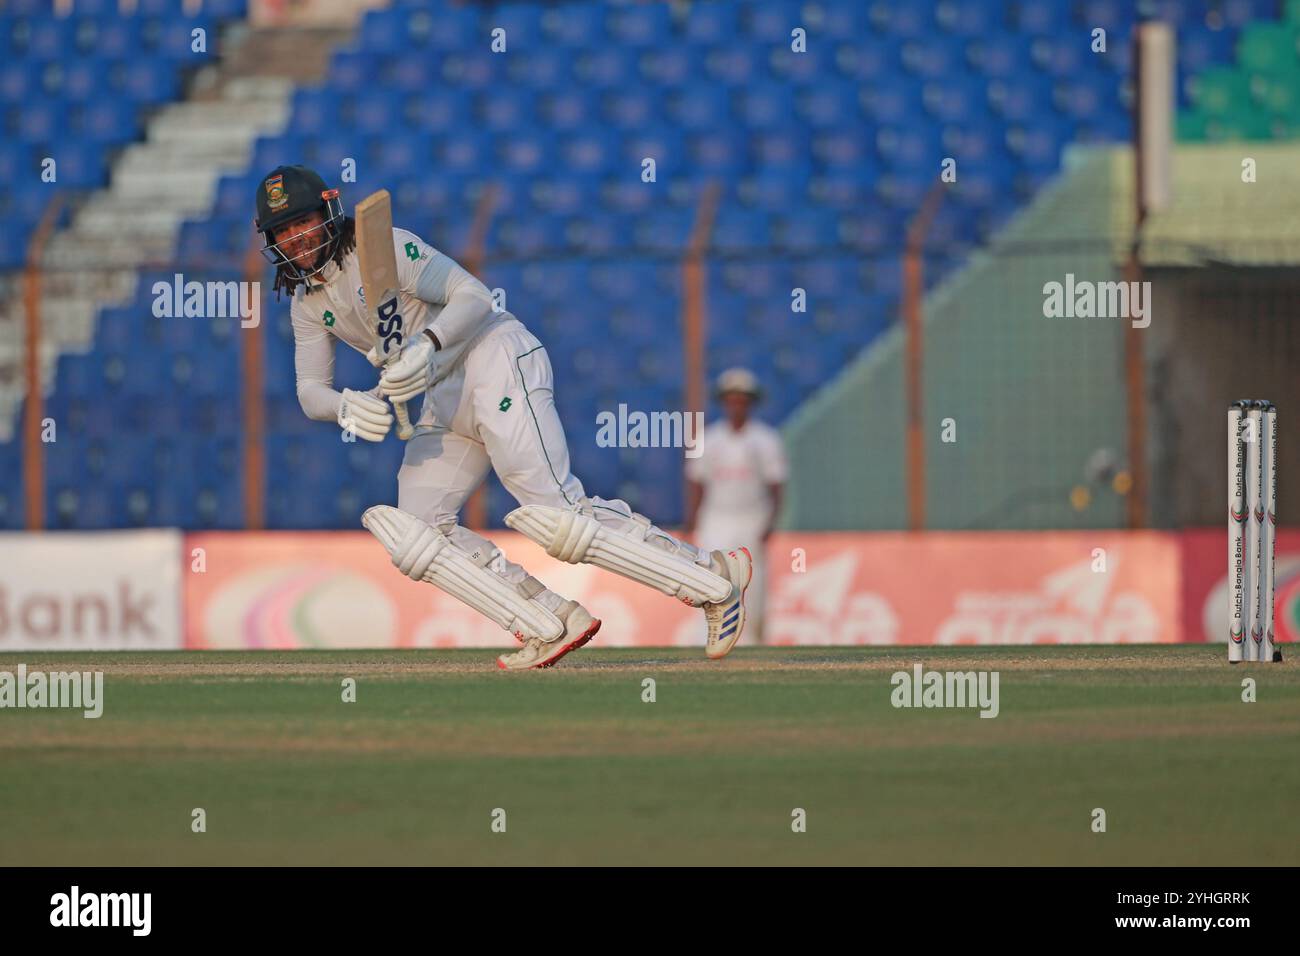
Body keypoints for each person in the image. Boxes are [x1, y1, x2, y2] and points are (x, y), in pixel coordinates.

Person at [254, 165, 752, 669]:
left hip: (490, 357)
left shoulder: (384, 247)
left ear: (328, 213)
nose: (295, 239)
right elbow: (308, 390)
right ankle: (549, 618)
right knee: (419, 532)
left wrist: (427, 346)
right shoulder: (308, 303)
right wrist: (342, 405)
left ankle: (712, 576)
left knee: (558, 517)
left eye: (303, 222)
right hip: (440, 400)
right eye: (283, 231)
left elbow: (473, 295)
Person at [685, 368, 787, 643]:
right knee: (710, 576)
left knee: (751, 583)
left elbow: (776, 485)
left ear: (751, 403)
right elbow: (697, 483)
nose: (737, 405)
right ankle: (707, 635)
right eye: (731, 399)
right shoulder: (708, 439)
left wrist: (770, 523)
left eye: (742, 399)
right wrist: (692, 521)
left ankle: (752, 638)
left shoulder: (765, 440)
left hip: (751, 518)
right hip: (716, 518)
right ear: (724, 402)